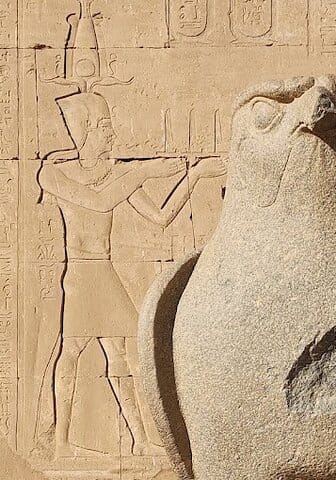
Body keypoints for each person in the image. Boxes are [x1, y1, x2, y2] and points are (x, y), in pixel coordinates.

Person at [38, 92, 226, 457]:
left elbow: (161, 218)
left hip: (103, 270)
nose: (111, 133)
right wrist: (143, 170)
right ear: (84, 130)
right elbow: (98, 202)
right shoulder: (54, 173)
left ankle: (138, 440)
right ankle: (60, 443)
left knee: (121, 354)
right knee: (73, 351)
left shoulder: (116, 174)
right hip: (80, 275)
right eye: (104, 126)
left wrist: (195, 175)